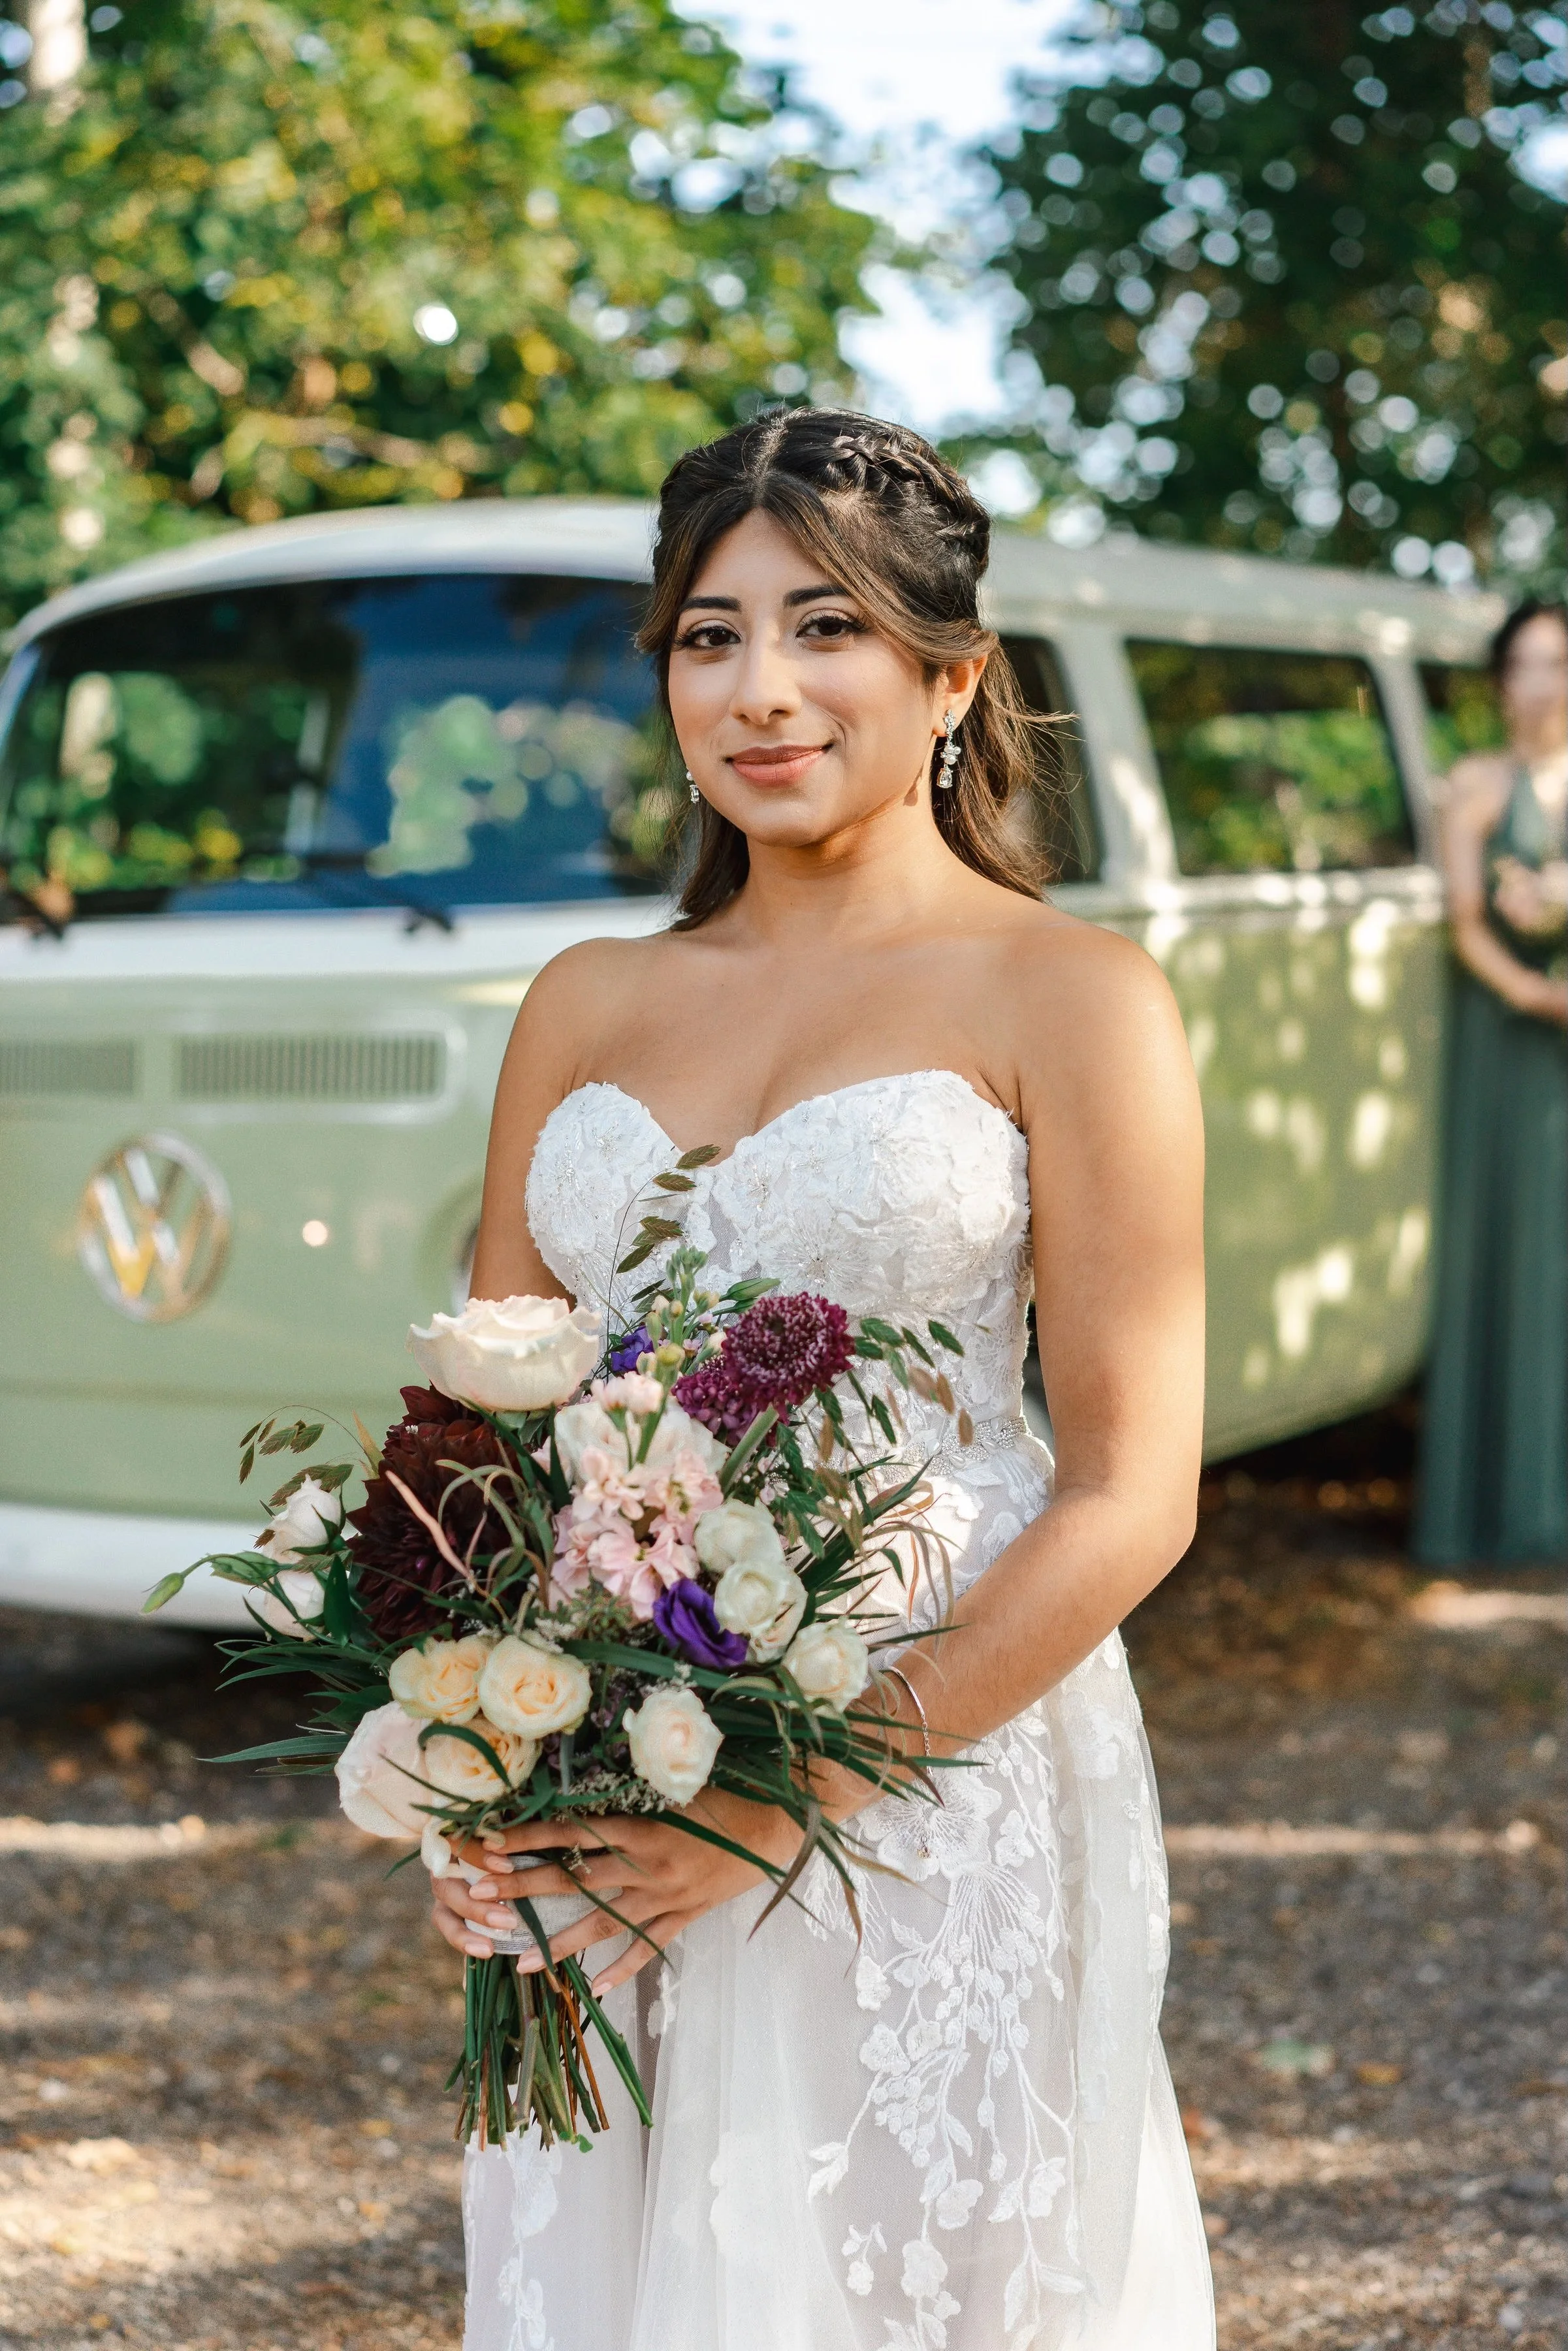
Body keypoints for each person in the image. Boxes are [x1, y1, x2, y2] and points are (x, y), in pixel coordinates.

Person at [432, 409, 1214, 2350]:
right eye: (709, 636)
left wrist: (795, 1799)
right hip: (611, 1738)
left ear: (952, 677)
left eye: (826, 629)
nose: (761, 691)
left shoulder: (1076, 998)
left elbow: (1137, 1488)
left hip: (933, 1753)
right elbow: (484, 1422)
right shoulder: (588, 999)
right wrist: (469, 1754)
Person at [1415, 600, 1568, 1567]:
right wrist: (1538, 995)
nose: (1543, 683)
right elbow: (1466, 919)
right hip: (1513, 1044)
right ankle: (1504, 1506)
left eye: (1559, 664)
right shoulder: (1473, 784)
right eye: (1527, 664)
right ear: (1502, 680)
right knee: (1516, 1244)